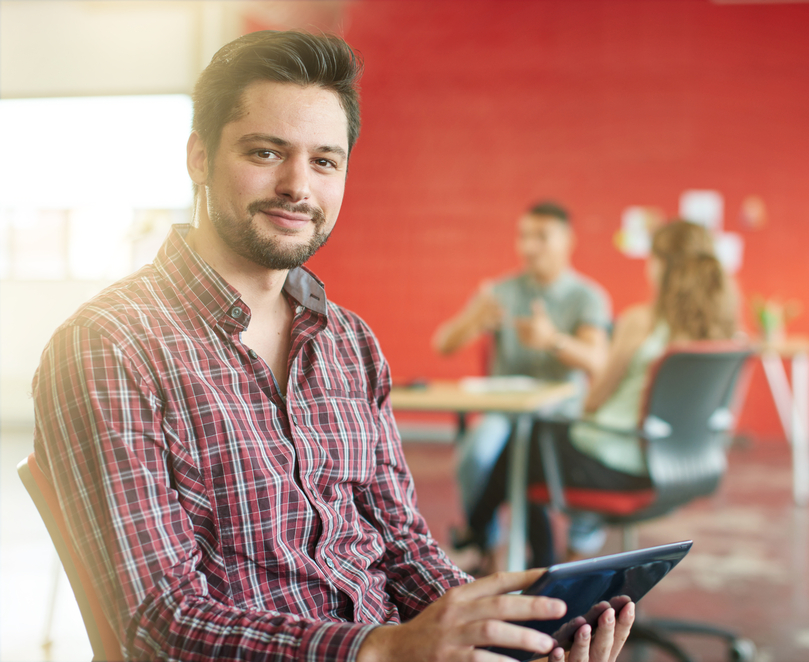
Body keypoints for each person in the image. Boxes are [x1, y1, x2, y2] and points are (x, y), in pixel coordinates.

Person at [31, 30, 634, 662]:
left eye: (325, 161)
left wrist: (505, 637)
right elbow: (158, 624)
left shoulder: (349, 341)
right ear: (198, 157)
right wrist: (382, 649)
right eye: (266, 153)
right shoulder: (109, 347)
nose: (298, 186)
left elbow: (403, 547)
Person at [465, 220, 738, 564]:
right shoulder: (724, 333)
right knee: (532, 452)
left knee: (526, 442)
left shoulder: (642, 321)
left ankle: (499, 543)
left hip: (620, 465)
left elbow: (595, 400)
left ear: (662, 266)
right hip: (687, 464)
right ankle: (535, 558)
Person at [433, 202, 611, 569]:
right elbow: (443, 344)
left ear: (568, 241)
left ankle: (576, 554)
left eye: (542, 237)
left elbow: (598, 361)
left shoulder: (587, 296)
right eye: (524, 236)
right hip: (506, 410)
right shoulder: (500, 291)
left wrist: (553, 341)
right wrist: (474, 320)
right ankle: (488, 552)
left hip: (562, 412)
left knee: (582, 460)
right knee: (477, 453)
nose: (530, 246)